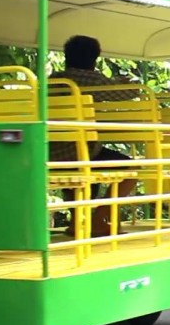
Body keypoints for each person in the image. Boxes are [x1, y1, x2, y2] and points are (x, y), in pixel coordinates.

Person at [49, 35, 140, 239]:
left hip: (53, 154)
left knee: (80, 171)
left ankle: (76, 223)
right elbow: (128, 93)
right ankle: (99, 217)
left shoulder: (52, 80)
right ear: (95, 59)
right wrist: (124, 82)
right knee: (131, 169)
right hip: (85, 152)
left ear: (66, 57)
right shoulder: (94, 80)